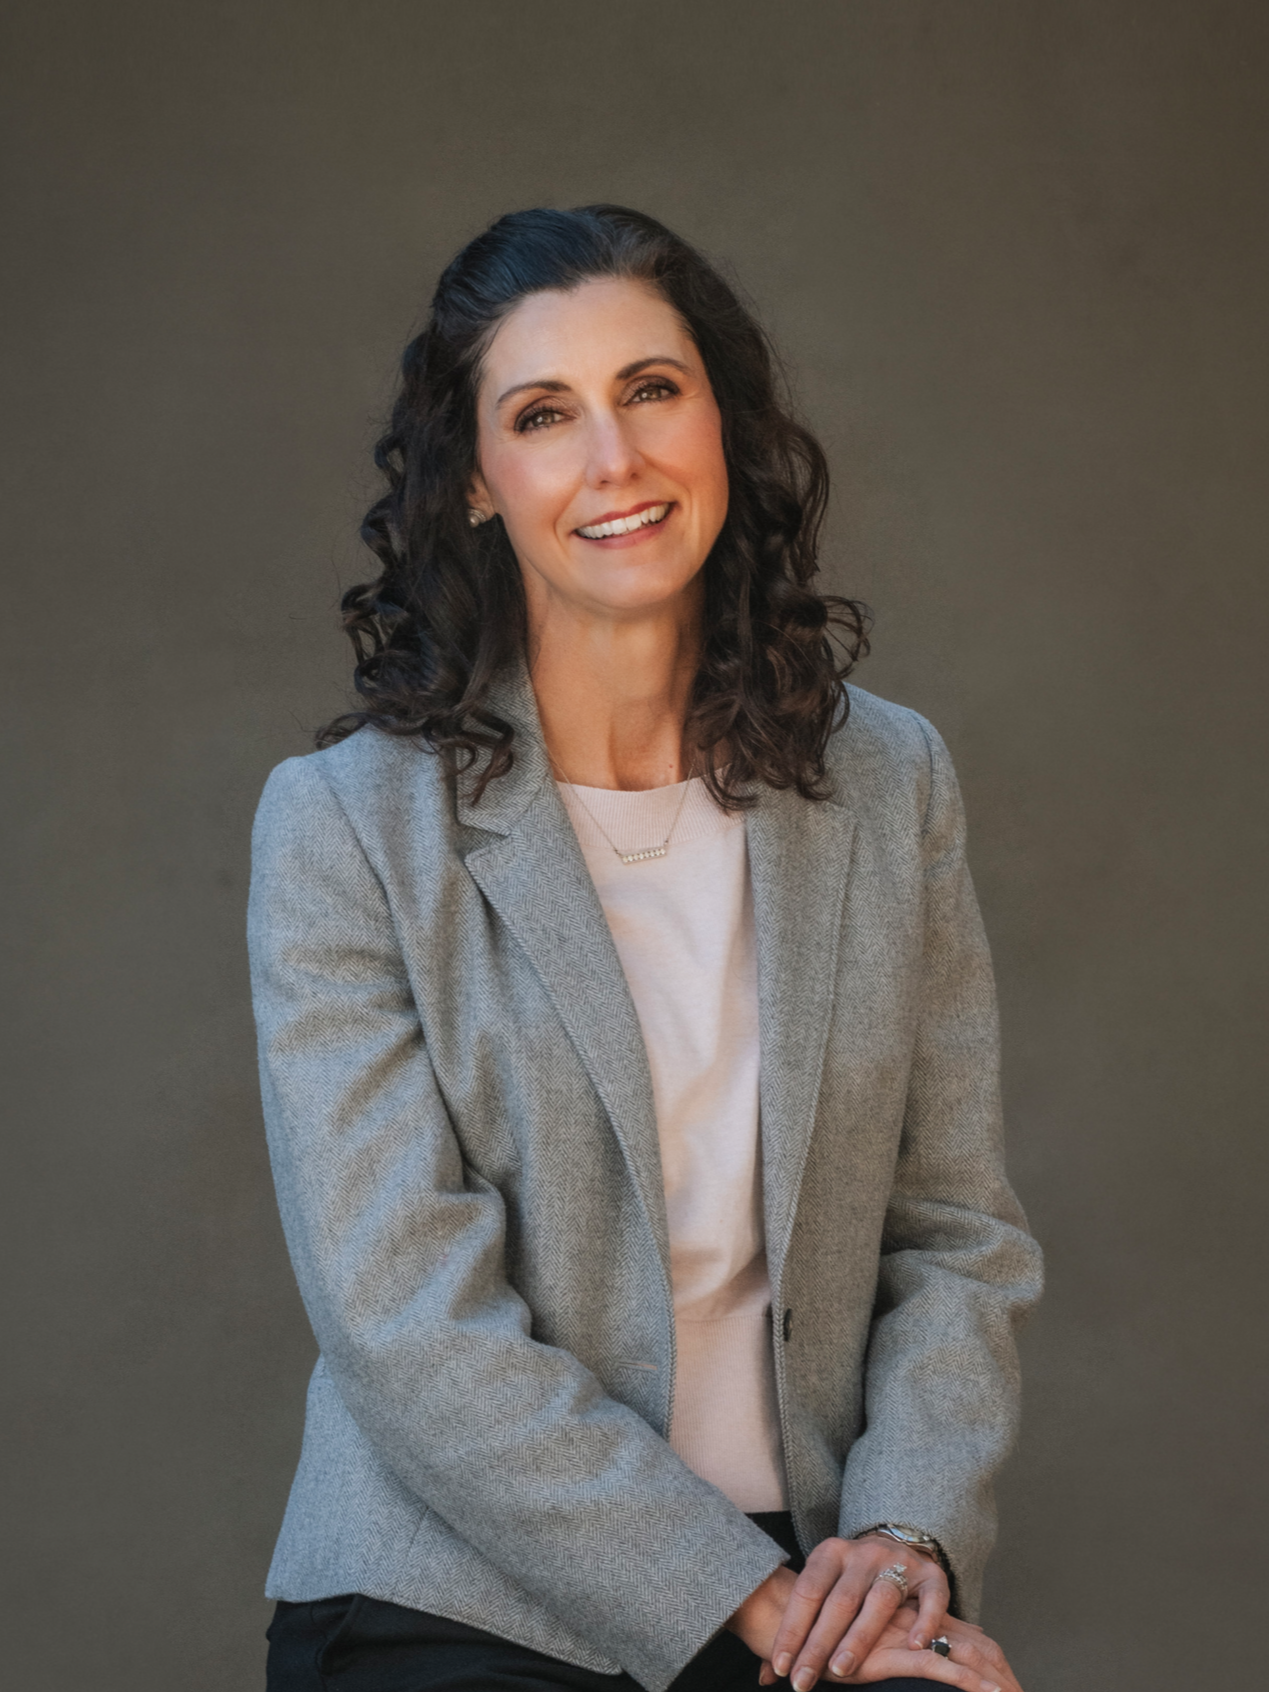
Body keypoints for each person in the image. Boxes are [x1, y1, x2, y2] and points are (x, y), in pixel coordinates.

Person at [249, 205, 1042, 1692]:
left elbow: (956, 1237)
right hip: (456, 1599)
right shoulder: (344, 826)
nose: (614, 461)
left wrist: (908, 1540)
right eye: (545, 416)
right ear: (478, 485)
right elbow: (405, 1326)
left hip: (814, 1569)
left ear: (721, 425)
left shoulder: (888, 781)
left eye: (652, 390)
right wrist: (760, 1616)